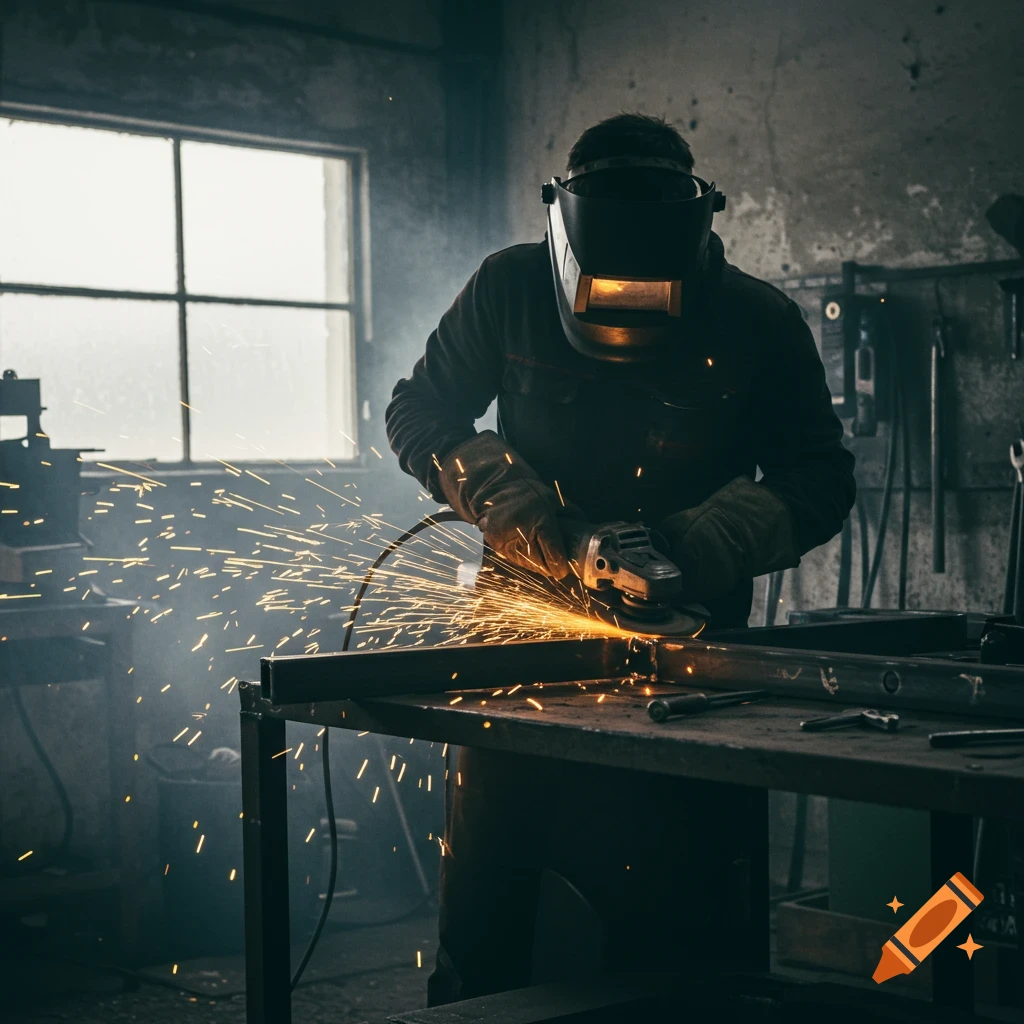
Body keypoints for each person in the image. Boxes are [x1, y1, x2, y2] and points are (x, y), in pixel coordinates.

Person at [386, 113, 855, 1004]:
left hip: (695, 653)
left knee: (685, 914)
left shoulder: (758, 320)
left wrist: (705, 542)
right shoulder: (510, 287)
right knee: (495, 893)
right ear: (564, 231)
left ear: (701, 227)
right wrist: (513, 504)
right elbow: (420, 411)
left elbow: (820, 475)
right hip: (522, 636)